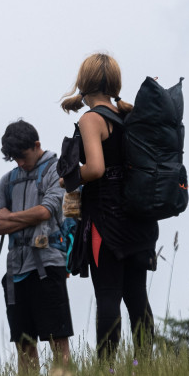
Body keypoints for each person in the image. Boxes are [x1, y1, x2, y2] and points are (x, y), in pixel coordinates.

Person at [60, 53, 158, 360]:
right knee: (137, 296)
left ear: (84, 82)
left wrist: (68, 181)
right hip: (138, 219)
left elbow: (96, 169)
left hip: (107, 221)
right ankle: (144, 365)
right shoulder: (126, 116)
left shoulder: (92, 119)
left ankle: (107, 370)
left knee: (108, 296)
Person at [0, 120, 74, 375]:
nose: (20, 163)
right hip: (15, 270)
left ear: (37, 145)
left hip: (49, 263)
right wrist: (24, 217)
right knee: (24, 344)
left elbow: (46, 211)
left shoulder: (56, 169)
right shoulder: (8, 180)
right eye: (14, 158)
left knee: (58, 339)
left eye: (22, 156)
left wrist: (9, 216)